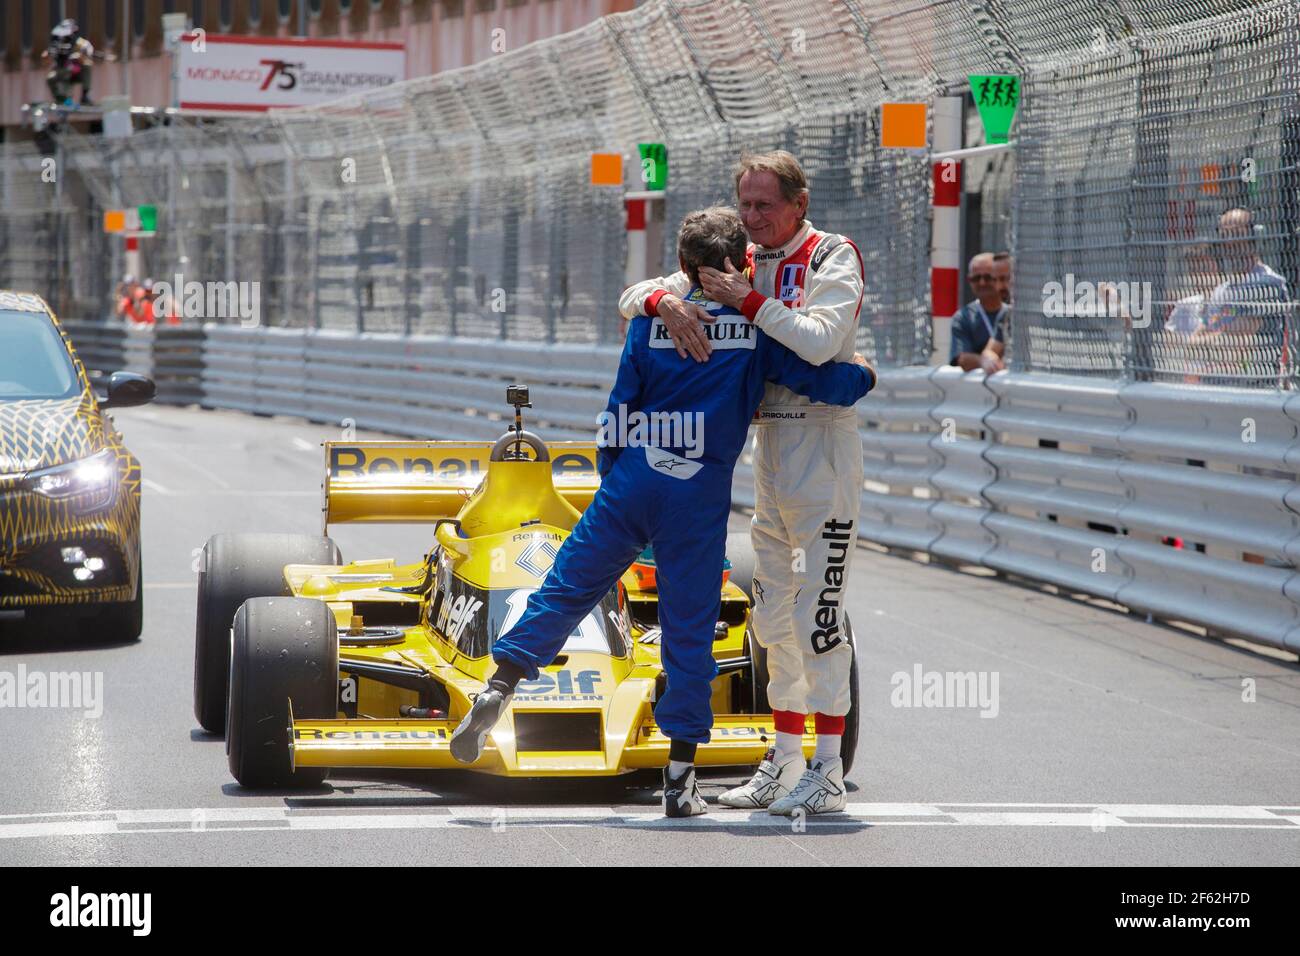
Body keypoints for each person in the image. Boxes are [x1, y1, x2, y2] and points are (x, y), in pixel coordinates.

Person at [449, 206, 875, 817]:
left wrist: (619, 483)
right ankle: (679, 782)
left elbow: (618, 409)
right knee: (688, 634)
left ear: (681, 269)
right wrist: (863, 376)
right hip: (698, 493)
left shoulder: (650, 323)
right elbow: (822, 382)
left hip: (634, 478)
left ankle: (500, 687)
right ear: (742, 263)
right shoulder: (755, 333)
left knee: (565, 589)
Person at [617, 151, 867, 816]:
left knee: (818, 618)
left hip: (824, 447)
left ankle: (828, 771)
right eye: (746, 205)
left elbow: (817, 341)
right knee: (770, 617)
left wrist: (746, 302)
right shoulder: (742, 259)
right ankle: (784, 760)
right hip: (770, 450)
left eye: (765, 205)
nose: (752, 218)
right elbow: (631, 295)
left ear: (799, 203)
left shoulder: (830, 256)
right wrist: (666, 299)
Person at [949, 252, 1009, 373]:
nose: (982, 283)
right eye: (976, 278)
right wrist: (983, 361)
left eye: (988, 277)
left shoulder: (1011, 314)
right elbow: (962, 358)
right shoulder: (963, 318)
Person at [41, 20, 98, 107]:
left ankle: (84, 97)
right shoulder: (56, 44)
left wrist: (80, 56)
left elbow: (88, 51)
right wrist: (47, 56)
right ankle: (62, 100)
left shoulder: (79, 42)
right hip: (62, 70)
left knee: (86, 66)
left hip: (76, 71)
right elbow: (46, 59)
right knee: (53, 78)